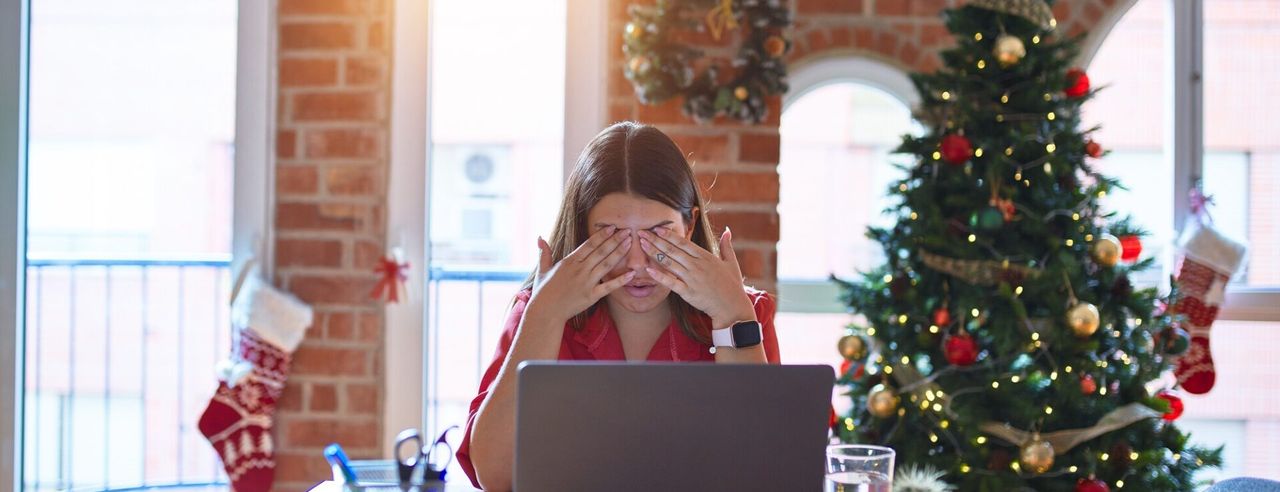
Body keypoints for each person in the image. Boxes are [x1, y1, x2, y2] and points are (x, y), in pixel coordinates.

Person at [455, 121, 781, 491]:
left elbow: (765, 472)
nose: (637, 264)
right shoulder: (539, 310)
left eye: (660, 234)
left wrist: (731, 316)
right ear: (582, 231)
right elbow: (497, 476)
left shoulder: (744, 314)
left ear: (689, 225)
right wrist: (544, 314)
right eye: (612, 236)